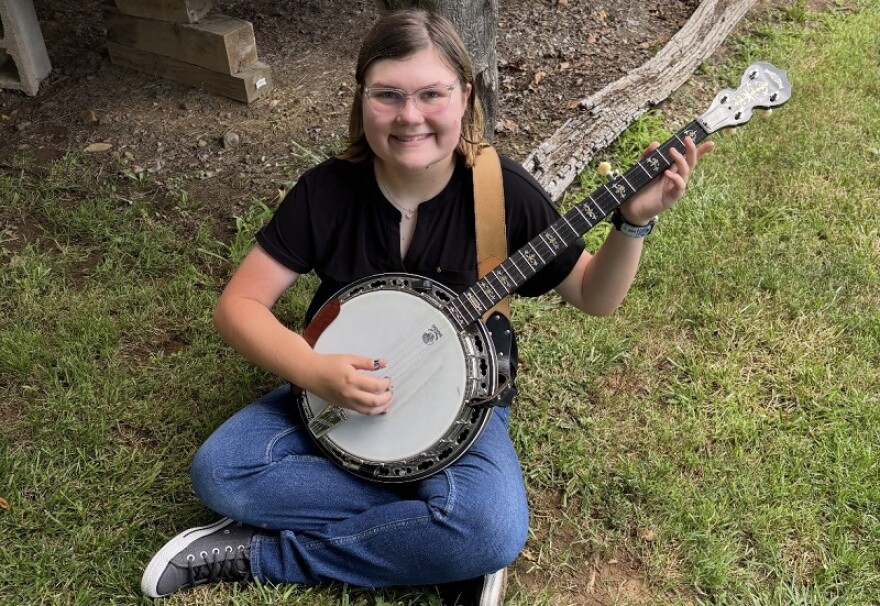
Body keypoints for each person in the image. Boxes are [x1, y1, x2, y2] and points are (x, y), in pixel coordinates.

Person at [140, 8, 712, 605]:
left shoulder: (502, 191)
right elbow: (239, 306)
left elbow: (596, 296)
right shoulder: (329, 191)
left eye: (431, 94)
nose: (410, 116)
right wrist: (312, 371)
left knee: (491, 527)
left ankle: (262, 552)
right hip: (336, 387)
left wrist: (633, 224)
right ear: (362, 99)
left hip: (466, 405)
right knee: (221, 472)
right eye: (388, 95)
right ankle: (436, 541)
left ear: (464, 96)